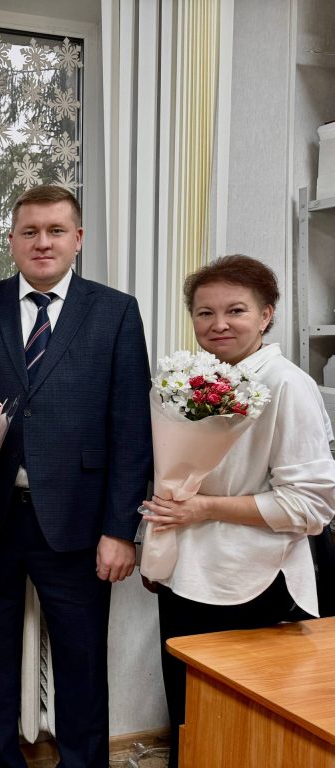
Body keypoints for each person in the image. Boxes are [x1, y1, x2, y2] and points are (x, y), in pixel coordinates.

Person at [0, 185, 153, 768]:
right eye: (30, 231)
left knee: (82, 663)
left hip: (80, 524)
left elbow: (131, 429)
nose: (42, 242)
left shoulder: (115, 311)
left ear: (77, 239)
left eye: (56, 231)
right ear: (11, 240)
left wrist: (121, 530)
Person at [141, 254, 335, 768]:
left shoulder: (288, 385)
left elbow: (310, 505)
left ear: (266, 315)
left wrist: (204, 508)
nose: (218, 324)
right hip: (187, 572)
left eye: (236, 311)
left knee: (248, 735)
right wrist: (160, 546)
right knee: (191, 718)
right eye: (205, 313)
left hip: (255, 580)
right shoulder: (190, 379)